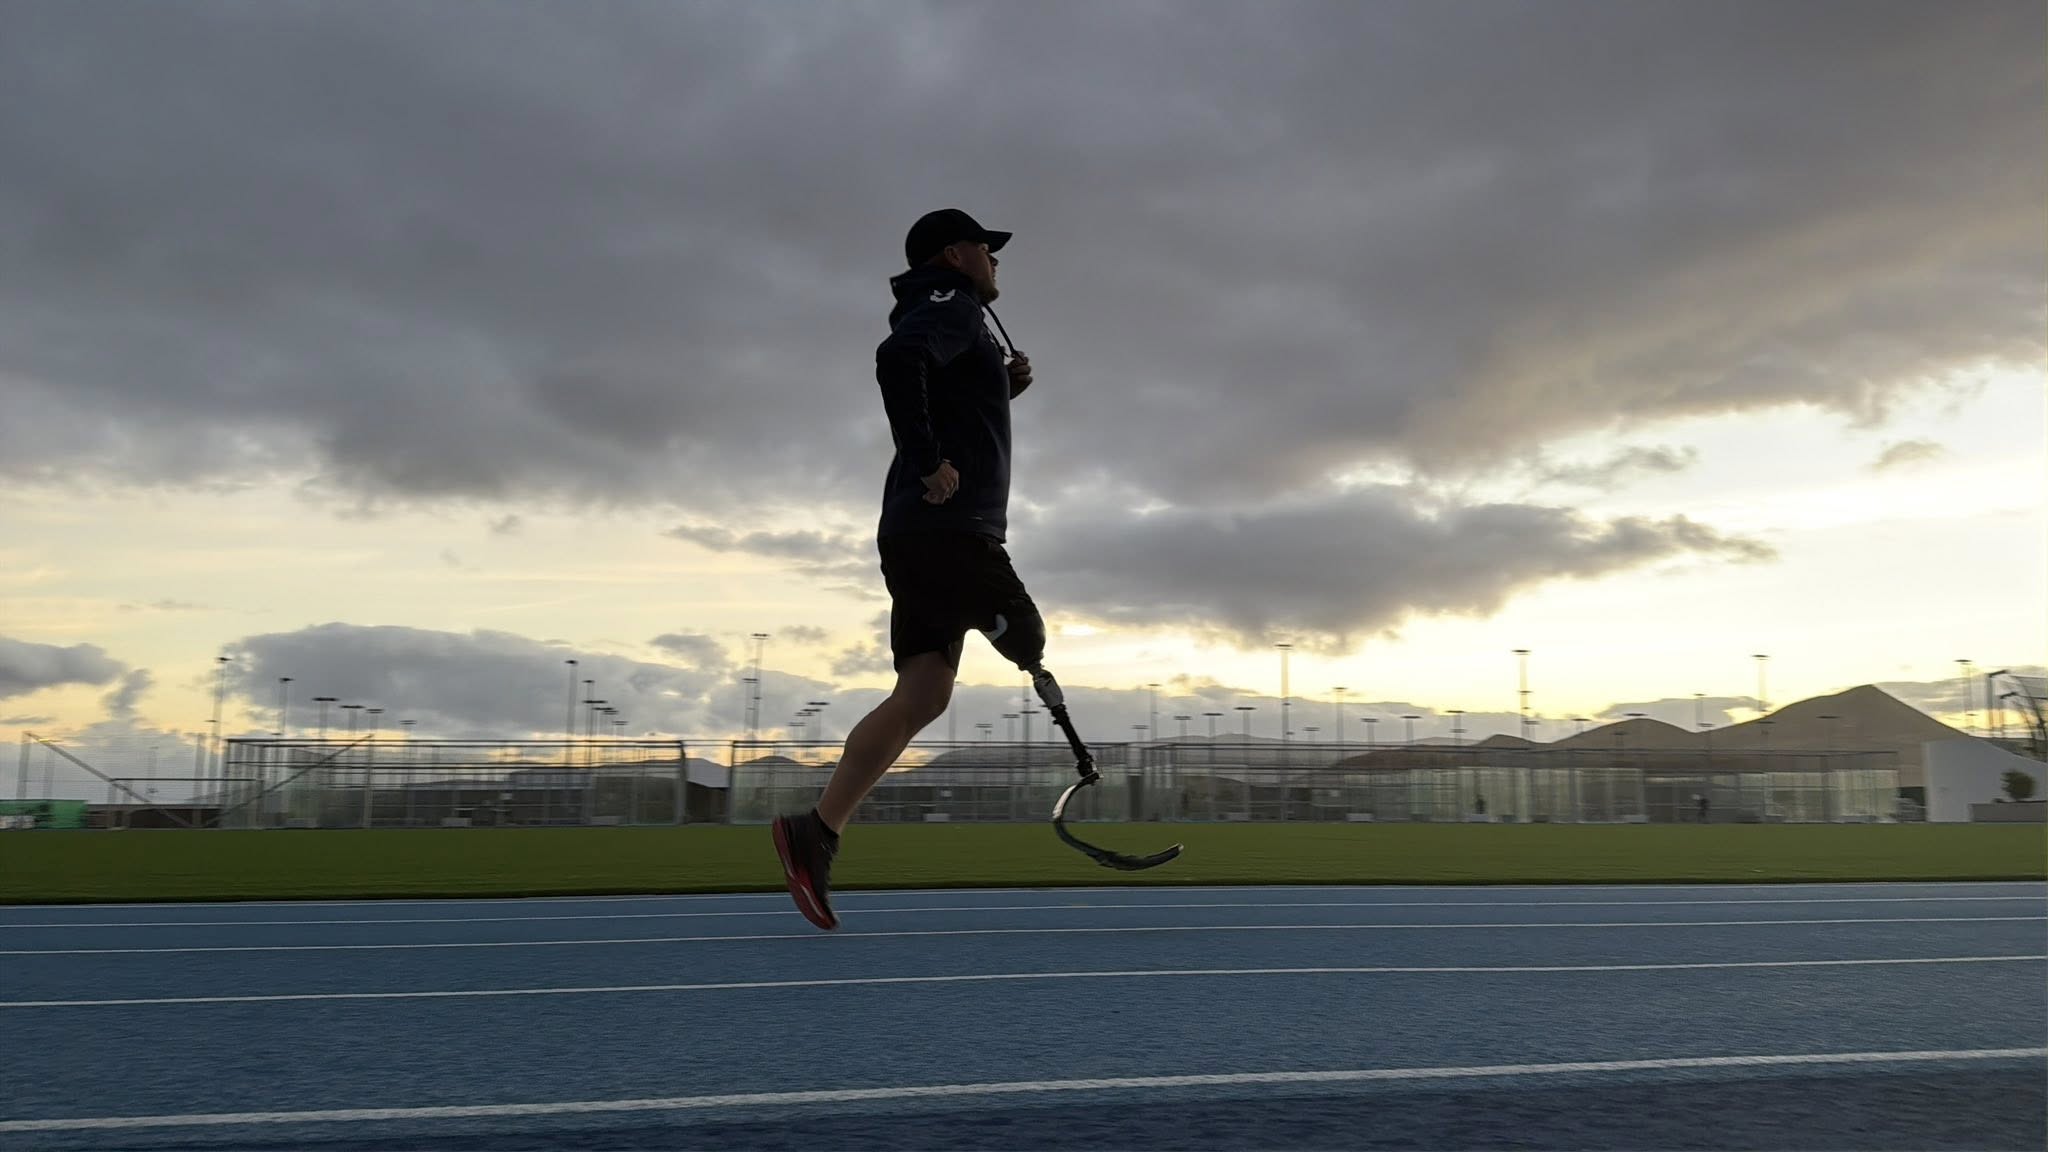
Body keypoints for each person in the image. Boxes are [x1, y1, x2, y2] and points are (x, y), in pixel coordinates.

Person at [771, 208, 1049, 931]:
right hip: (948, 529)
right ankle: (817, 830)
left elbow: (945, 391)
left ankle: (817, 831)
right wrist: (928, 464)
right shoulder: (946, 301)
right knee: (1024, 633)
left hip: (927, 531)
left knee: (925, 691)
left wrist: (1002, 386)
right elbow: (899, 361)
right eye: (988, 250)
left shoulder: (961, 316)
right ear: (956, 254)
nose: (997, 262)